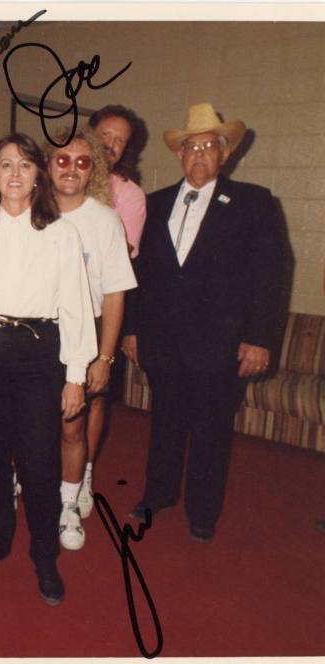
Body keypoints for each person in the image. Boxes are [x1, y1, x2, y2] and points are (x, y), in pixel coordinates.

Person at [0, 133, 96, 604]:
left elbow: (76, 309)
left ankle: (44, 554)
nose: (14, 174)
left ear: (37, 176)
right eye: (6, 165)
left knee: (39, 459)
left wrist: (74, 376)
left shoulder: (62, 233)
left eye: (24, 165)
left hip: (38, 355)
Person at [122, 103, 284, 542]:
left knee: (212, 430)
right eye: (191, 147)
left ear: (225, 153)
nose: (199, 154)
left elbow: (271, 274)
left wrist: (257, 338)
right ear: (179, 156)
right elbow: (138, 273)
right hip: (163, 342)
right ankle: (158, 494)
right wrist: (132, 329)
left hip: (221, 345)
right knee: (165, 422)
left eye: (209, 146)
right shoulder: (153, 205)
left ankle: (203, 512)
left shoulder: (254, 203)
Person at [46, 126, 136, 550]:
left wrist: (105, 357)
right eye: (62, 159)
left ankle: (68, 502)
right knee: (27, 420)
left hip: (87, 333)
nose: (70, 169)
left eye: (82, 162)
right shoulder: (29, 212)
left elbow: (115, 293)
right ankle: (22, 482)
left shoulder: (105, 221)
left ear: (93, 170)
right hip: (38, 333)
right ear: (48, 164)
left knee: (72, 425)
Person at [89, 104, 147, 258]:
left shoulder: (132, 194)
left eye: (120, 140)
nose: (110, 144)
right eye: (105, 134)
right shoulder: (64, 177)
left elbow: (124, 252)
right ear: (89, 135)